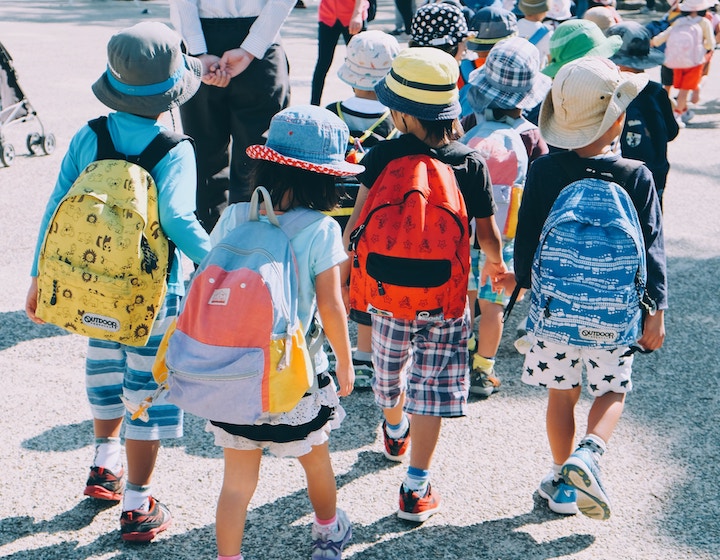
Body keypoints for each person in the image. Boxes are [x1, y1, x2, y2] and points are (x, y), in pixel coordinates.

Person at [24, 22, 212, 541]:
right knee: (145, 389)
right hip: (151, 297)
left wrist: (40, 275)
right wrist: (218, 261)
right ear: (171, 92)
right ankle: (137, 502)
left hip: (88, 286)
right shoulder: (174, 148)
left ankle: (104, 466)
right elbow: (177, 221)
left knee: (104, 374)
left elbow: (56, 207)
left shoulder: (90, 135)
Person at [342, 47, 503, 522]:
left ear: (398, 110)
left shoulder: (381, 156)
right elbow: (488, 236)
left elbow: (355, 228)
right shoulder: (470, 163)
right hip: (447, 300)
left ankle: (394, 428)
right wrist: (495, 266)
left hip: (388, 298)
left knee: (389, 377)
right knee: (430, 389)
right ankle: (416, 487)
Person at [503, 56, 667, 519]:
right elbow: (652, 249)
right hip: (615, 318)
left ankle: (563, 484)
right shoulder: (637, 175)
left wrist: (533, 294)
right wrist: (655, 311)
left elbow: (527, 243)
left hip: (555, 313)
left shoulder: (545, 171)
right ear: (617, 119)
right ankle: (589, 455)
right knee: (612, 392)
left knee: (562, 395)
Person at [207, 105, 359, 560]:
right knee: (315, 462)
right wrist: (347, 361)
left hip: (233, 373)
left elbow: (209, 277)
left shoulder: (236, 215)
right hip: (294, 376)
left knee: (236, 484)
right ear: (325, 178)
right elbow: (331, 305)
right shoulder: (321, 229)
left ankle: (228, 557)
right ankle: (328, 535)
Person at [459, 37, 551, 396]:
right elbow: (538, 188)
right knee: (493, 304)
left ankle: (457, 356)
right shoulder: (531, 136)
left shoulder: (468, 122)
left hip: (465, 232)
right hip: (505, 236)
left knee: (463, 297)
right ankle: (483, 370)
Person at [169, 0, 294, 232]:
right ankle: (250, 253)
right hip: (261, 38)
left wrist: (198, 51)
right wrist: (250, 49)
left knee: (206, 160)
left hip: (204, 33)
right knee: (258, 161)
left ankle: (209, 257)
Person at [325, 29, 401, 387]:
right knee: (368, 285)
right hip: (371, 217)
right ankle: (365, 355)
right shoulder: (395, 122)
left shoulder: (330, 114)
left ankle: (328, 345)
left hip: (327, 214)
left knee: (331, 283)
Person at [607, 21, 679, 208]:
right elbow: (671, 132)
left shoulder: (613, 94)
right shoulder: (657, 91)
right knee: (651, 222)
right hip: (655, 173)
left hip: (621, 176)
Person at [650, 0, 717, 125]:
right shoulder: (704, 22)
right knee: (684, 90)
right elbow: (710, 43)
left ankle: (684, 110)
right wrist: (704, 48)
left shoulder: (679, 21)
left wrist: (653, 42)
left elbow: (664, 35)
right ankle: (678, 115)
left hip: (677, 60)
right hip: (694, 62)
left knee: (680, 86)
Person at [310, 0, 368, 106]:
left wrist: (358, 14)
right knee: (323, 62)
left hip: (353, 16)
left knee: (360, 65)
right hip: (328, 15)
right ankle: (314, 105)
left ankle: (363, 104)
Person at [516, 0, 553, 67]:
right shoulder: (547, 33)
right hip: (535, 75)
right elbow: (551, 60)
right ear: (543, 11)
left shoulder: (514, 26)